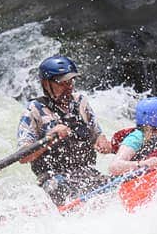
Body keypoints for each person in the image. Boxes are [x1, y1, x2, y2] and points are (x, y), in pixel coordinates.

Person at [17, 55, 113, 207]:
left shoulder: (81, 102)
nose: (69, 87)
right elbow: (23, 156)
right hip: (54, 178)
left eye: (71, 82)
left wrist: (103, 142)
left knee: (112, 189)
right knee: (64, 190)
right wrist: (50, 137)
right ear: (46, 84)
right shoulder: (33, 110)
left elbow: (98, 135)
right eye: (62, 83)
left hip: (86, 173)